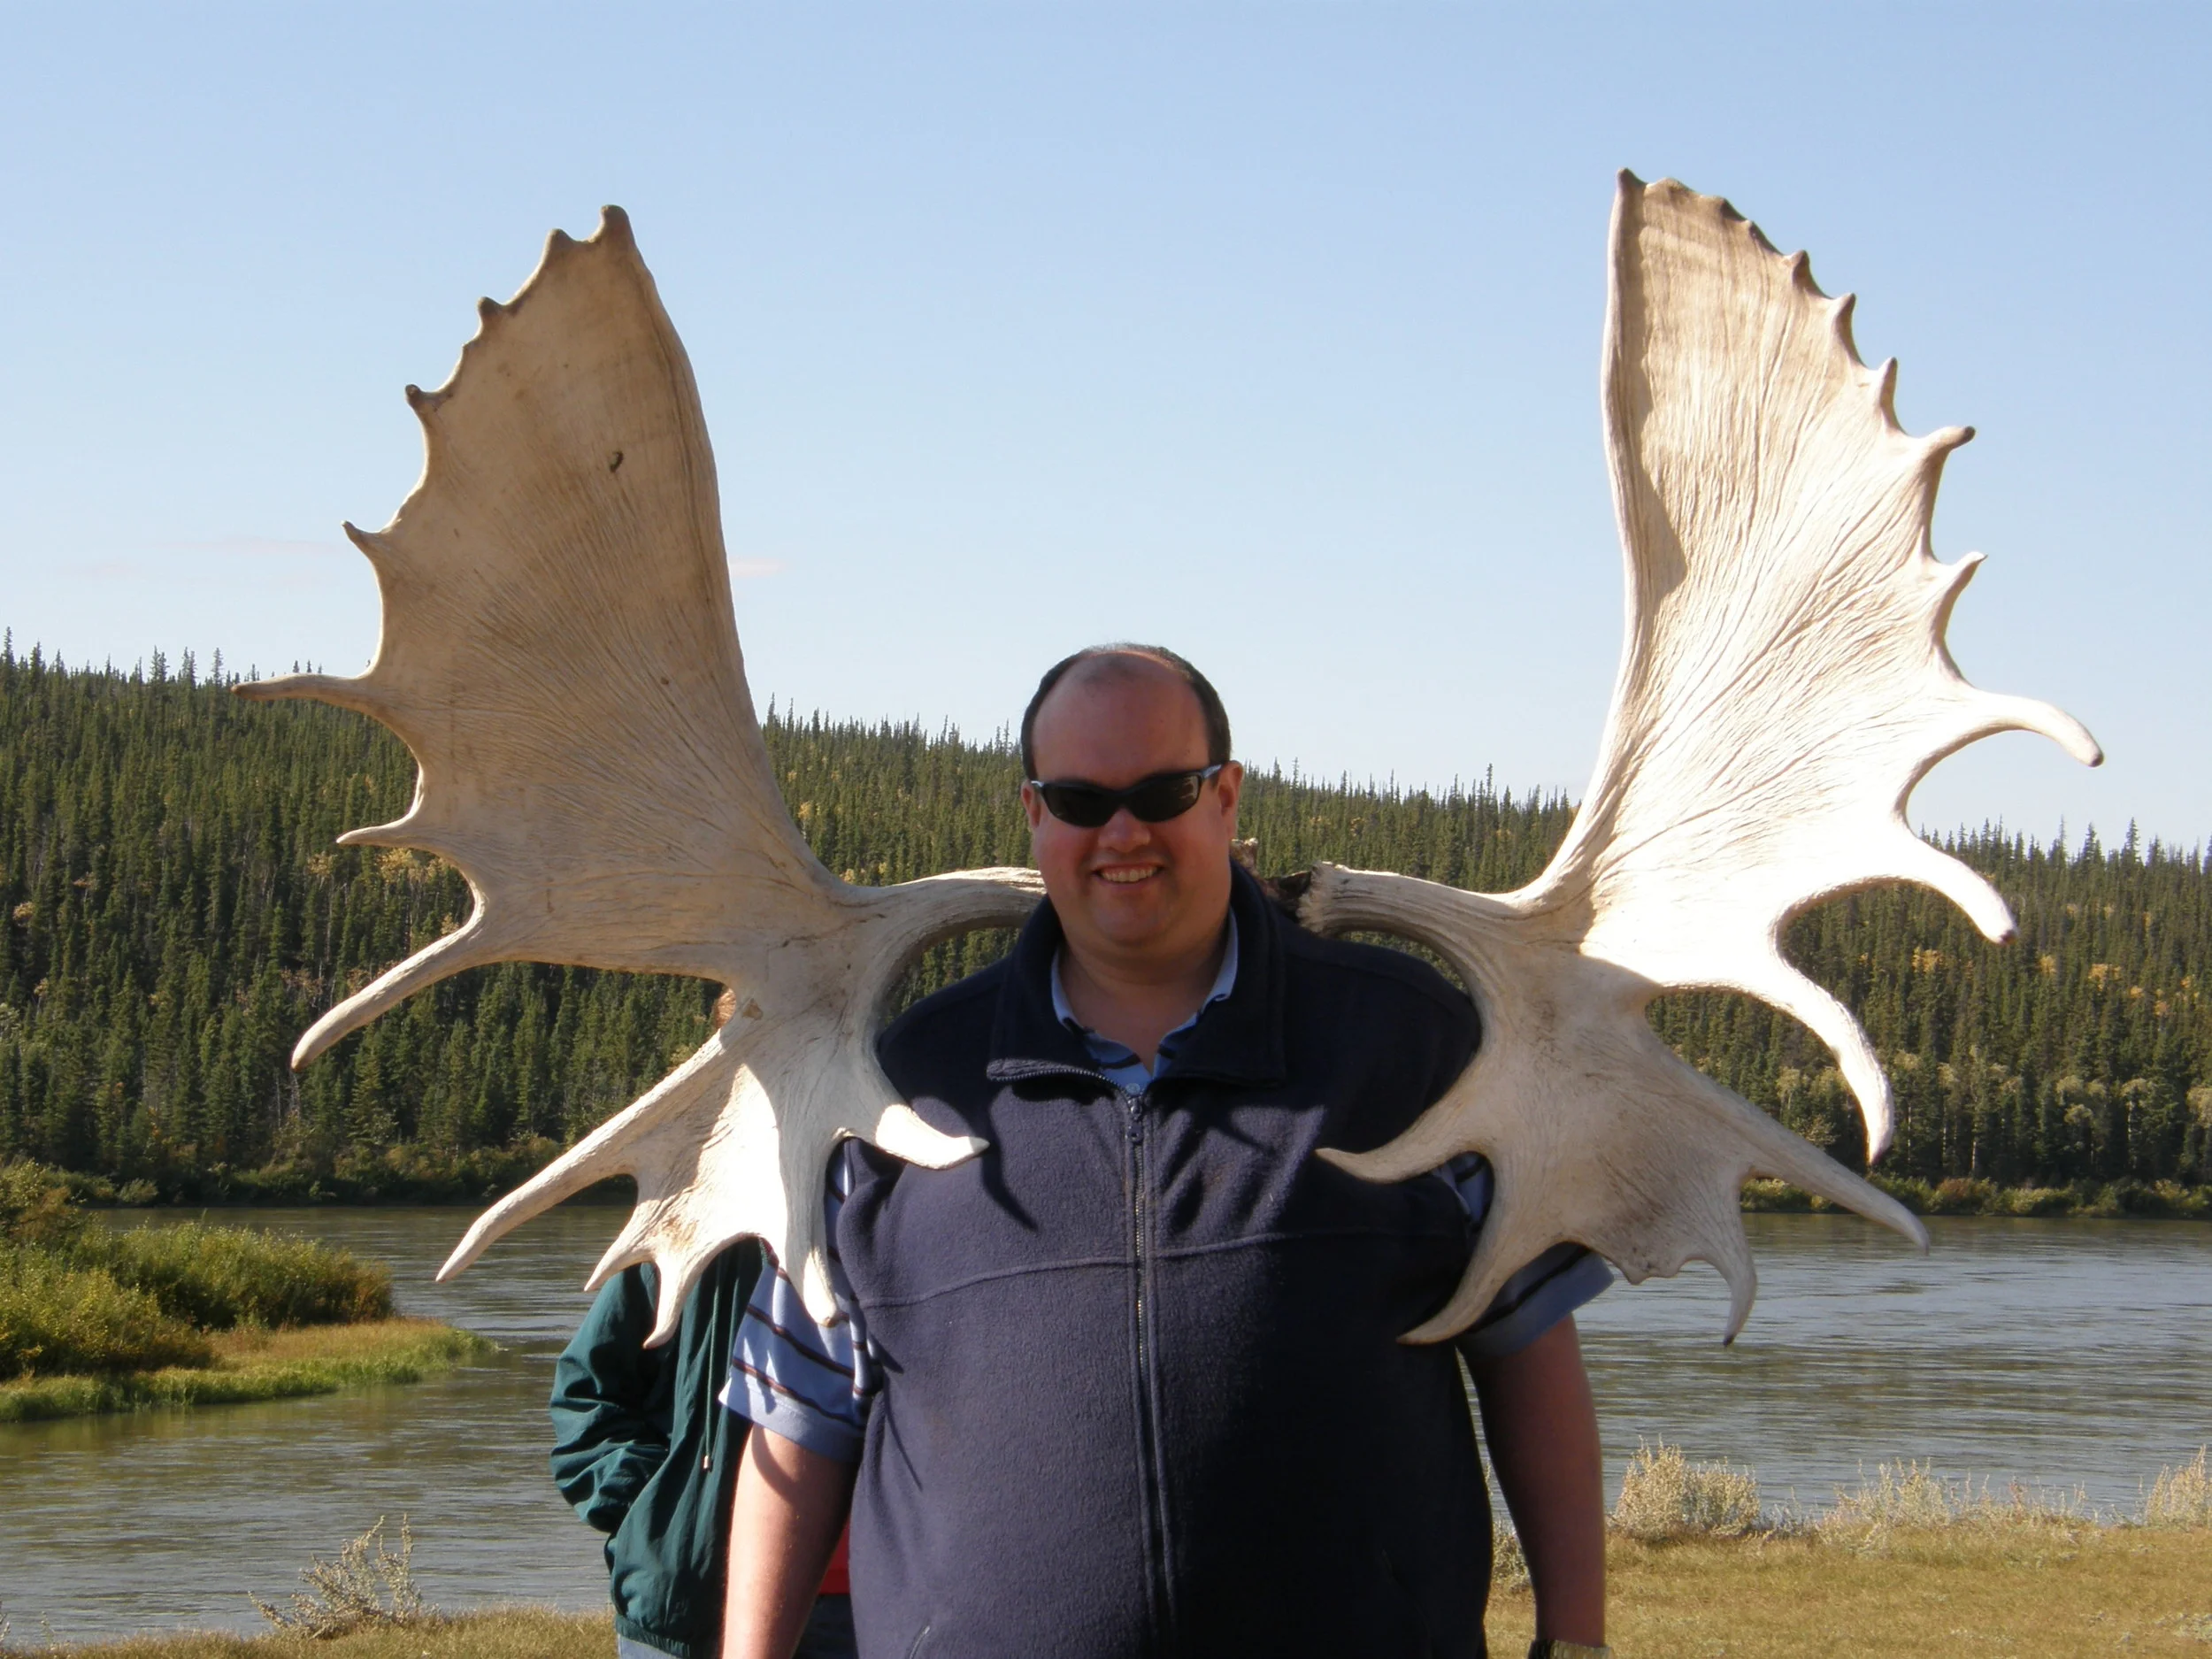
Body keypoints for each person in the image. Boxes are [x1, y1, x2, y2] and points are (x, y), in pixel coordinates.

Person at [721, 646, 1612, 1659]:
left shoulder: (1412, 1049)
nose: (1123, 833)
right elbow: (797, 1418)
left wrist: (1573, 1641)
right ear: (1034, 815)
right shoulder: (895, 1090)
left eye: (1161, 793)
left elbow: (1530, 1356)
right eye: (1080, 800)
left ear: (1224, 798)